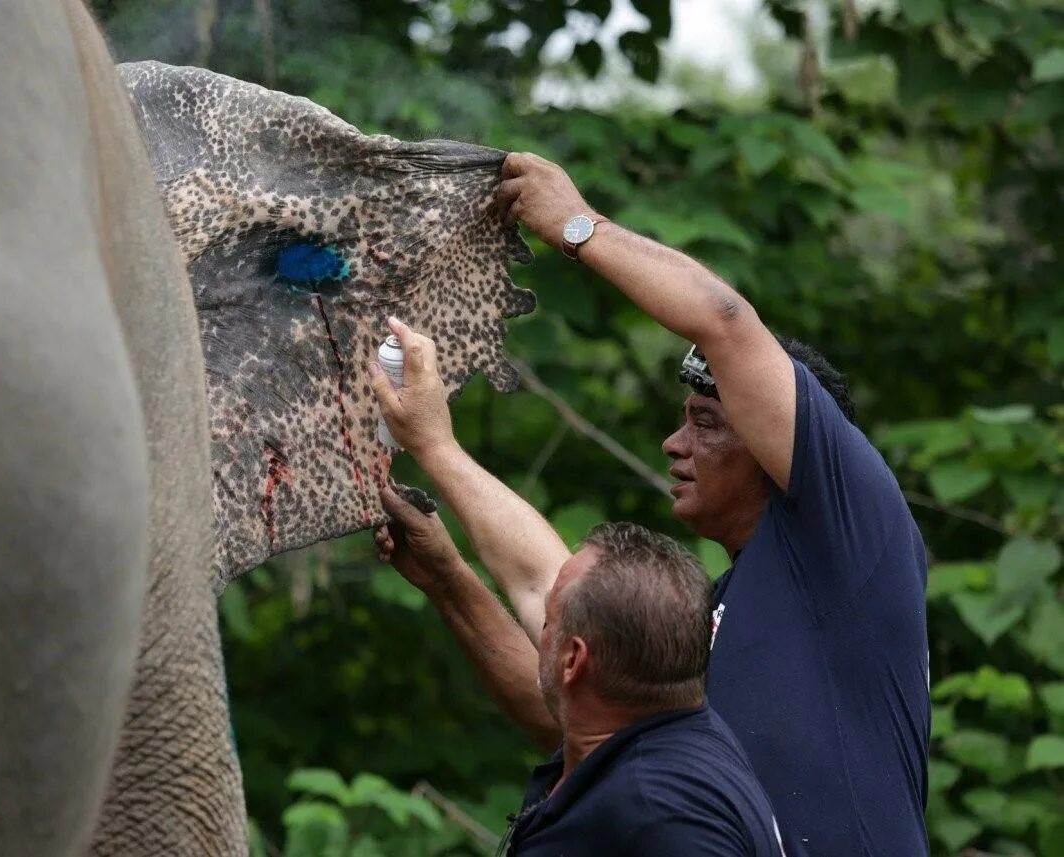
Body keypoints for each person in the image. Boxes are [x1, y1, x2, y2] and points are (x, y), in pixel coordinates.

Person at [368, 152, 930, 855]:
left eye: (704, 421)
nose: (673, 442)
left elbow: (723, 319)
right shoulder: (703, 620)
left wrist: (576, 224)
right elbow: (563, 645)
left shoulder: (855, 537)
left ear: (778, 441)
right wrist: (445, 522)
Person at [376, 489, 791, 855]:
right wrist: (444, 577)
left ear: (573, 660)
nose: (540, 626)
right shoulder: (663, 737)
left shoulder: (661, 820)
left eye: (548, 617)